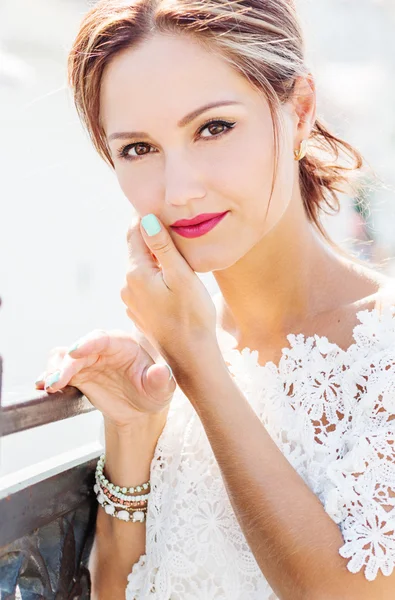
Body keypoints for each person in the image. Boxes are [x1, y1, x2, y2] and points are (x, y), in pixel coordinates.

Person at [35, 0, 395, 598]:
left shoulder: (382, 346)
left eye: (213, 128)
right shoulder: (164, 345)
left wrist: (198, 362)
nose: (179, 191)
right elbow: (115, 590)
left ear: (299, 112)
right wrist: (133, 425)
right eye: (138, 149)